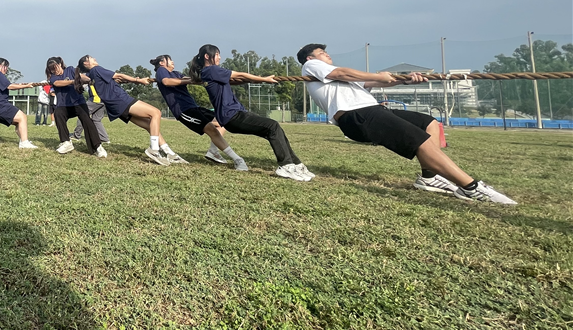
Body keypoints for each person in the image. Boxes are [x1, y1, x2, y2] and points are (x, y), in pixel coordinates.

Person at [297, 44, 515, 204]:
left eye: (325, 51)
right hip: (357, 116)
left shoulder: (339, 77)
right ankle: (471, 187)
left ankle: (429, 178)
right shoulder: (313, 67)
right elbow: (344, 73)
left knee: (429, 124)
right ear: (310, 58)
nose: (326, 53)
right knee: (418, 141)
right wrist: (379, 76)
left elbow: (372, 81)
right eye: (320, 52)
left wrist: (406, 79)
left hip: (372, 110)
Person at [189, 44, 313, 181]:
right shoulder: (211, 70)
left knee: (275, 130)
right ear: (207, 56)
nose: (219, 57)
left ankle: (296, 164)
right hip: (232, 117)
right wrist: (264, 80)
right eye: (217, 54)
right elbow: (239, 74)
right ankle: (286, 166)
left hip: (235, 115)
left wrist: (254, 78)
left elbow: (235, 80)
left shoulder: (210, 73)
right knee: (272, 126)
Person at [75, 55, 184, 166]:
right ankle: (154, 150)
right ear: (86, 63)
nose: (94, 58)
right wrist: (139, 80)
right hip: (121, 100)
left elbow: (116, 80)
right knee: (156, 112)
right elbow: (119, 75)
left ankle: (169, 153)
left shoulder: (92, 74)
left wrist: (138, 81)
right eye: (91, 58)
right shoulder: (96, 69)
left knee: (148, 125)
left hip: (115, 106)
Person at [150, 55, 247, 169]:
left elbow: (188, 79)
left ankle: (213, 151)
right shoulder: (162, 71)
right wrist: (190, 80)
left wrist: (204, 78)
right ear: (162, 63)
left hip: (195, 107)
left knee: (223, 119)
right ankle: (237, 159)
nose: (173, 62)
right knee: (211, 129)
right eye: (170, 60)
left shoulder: (176, 73)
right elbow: (167, 82)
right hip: (184, 111)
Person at [45, 56, 105, 158]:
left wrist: (85, 79)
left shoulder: (70, 70)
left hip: (78, 103)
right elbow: (57, 83)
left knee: (87, 121)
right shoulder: (53, 78)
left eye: (55, 68)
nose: (54, 71)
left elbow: (82, 77)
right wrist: (73, 81)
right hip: (63, 106)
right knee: (58, 114)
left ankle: (97, 146)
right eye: (51, 69)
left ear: (60, 65)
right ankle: (66, 142)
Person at [0, 58, 40, 149]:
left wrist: (21, 84)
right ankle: (24, 143)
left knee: (19, 122)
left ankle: (23, 140)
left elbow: (8, 85)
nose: (6, 69)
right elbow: (9, 86)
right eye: (5, 66)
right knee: (22, 117)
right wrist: (26, 86)